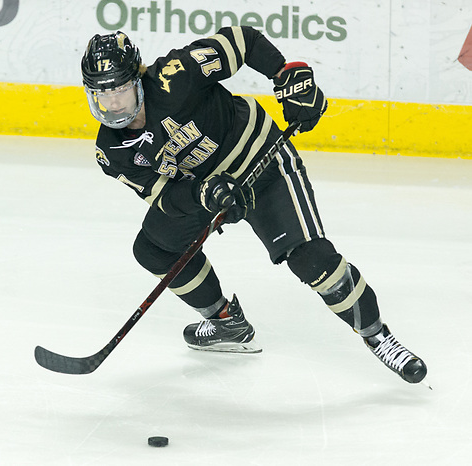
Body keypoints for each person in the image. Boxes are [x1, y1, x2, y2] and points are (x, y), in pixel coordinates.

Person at [80, 27, 427, 384]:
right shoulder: (111, 150)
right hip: (211, 190)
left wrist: (286, 75)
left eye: (120, 90)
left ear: (137, 79)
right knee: (153, 249)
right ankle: (226, 322)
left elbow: (242, 42)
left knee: (311, 259)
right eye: (101, 94)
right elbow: (165, 197)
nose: (113, 104)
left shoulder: (176, 75)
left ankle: (377, 335)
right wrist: (205, 194)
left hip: (263, 163)